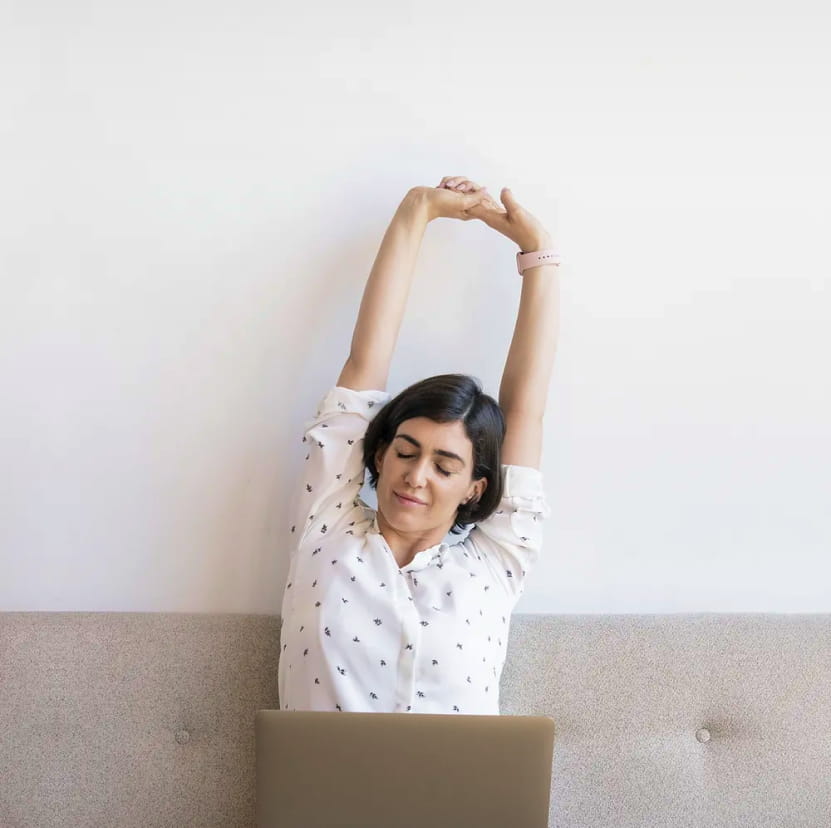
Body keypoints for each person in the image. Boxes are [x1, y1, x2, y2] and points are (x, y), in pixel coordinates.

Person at [278, 175, 559, 715]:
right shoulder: (326, 529)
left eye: (444, 464)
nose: (416, 475)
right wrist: (417, 210)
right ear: (379, 456)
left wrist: (539, 256)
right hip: (322, 800)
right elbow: (364, 364)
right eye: (406, 452)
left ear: (475, 489)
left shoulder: (496, 566)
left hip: (461, 802)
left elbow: (527, 410)